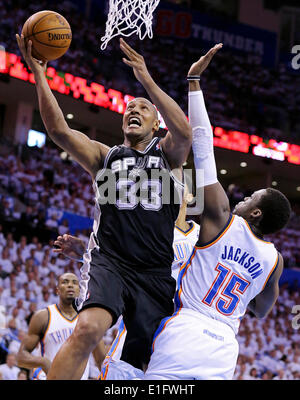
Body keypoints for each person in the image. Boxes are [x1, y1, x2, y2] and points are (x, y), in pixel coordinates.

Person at [16, 34, 192, 379]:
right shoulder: (105, 155)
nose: (133, 110)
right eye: (129, 107)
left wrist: (146, 80)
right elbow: (59, 130)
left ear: (156, 123)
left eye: (143, 108)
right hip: (111, 262)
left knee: (141, 359)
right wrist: (39, 74)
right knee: (87, 329)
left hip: (155, 272)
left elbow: (185, 132)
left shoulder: (168, 156)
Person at [144, 44, 291, 380]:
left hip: (186, 327)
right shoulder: (275, 260)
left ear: (255, 213)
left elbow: (203, 145)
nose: (242, 199)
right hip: (225, 345)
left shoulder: (222, 218)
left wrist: (194, 81)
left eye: (251, 197)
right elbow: (263, 310)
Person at [53, 187, 201, 380]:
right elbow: (120, 262)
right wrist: (84, 253)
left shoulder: (203, 236)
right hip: (140, 326)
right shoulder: (147, 226)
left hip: (180, 337)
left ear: (188, 196)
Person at [16, 273, 105, 380]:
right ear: (57, 290)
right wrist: (43, 362)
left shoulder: (90, 321)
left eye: (74, 283)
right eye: (65, 282)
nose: (70, 285)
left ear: (80, 290)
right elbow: (20, 356)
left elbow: (101, 360)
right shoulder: (43, 316)